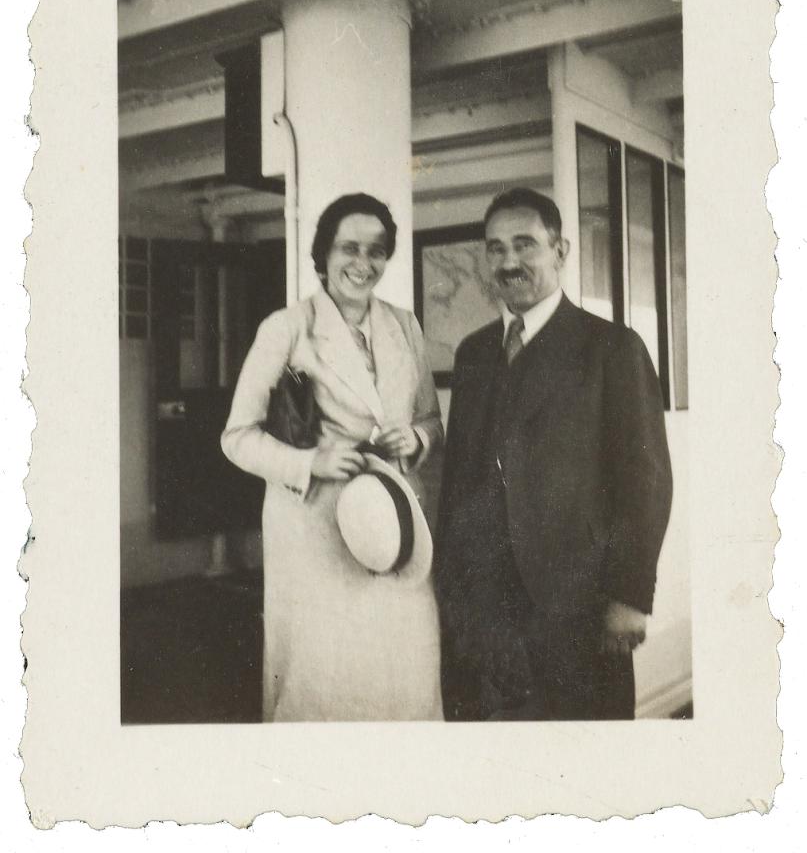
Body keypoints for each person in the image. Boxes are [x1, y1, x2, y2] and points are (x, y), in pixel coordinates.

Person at [435, 187, 673, 721]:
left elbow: (646, 481)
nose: (509, 261)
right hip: (483, 613)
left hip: (577, 609)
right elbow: (458, 479)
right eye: (495, 248)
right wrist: (449, 590)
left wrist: (629, 596)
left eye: (525, 244)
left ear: (560, 251)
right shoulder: (473, 354)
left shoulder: (612, 348)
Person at [221, 193, 444, 721]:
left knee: (405, 674)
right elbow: (237, 437)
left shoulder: (405, 326)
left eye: (377, 251)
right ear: (322, 254)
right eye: (349, 248)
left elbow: (433, 419)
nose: (363, 264)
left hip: (394, 523)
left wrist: (416, 437)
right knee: (326, 683)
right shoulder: (286, 328)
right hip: (315, 530)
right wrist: (309, 463)